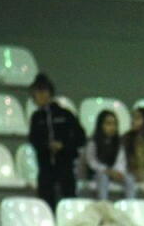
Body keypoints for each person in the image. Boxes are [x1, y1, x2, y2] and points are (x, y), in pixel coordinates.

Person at [28, 74, 85, 209]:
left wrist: (63, 146)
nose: (40, 96)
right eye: (37, 93)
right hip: (45, 165)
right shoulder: (36, 118)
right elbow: (34, 140)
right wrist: (47, 146)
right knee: (46, 201)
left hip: (65, 163)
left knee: (69, 199)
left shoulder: (65, 114)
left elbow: (80, 137)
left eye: (43, 91)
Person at [82, 110, 136, 202]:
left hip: (115, 172)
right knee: (103, 177)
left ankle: (130, 204)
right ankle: (104, 204)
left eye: (114, 124)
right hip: (98, 173)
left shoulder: (119, 143)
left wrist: (118, 172)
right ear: (101, 125)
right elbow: (92, 162)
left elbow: (121, 160)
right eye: (108, 124)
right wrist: (106, 170)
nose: (112, 127)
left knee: (130, 179)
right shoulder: (93, 142)